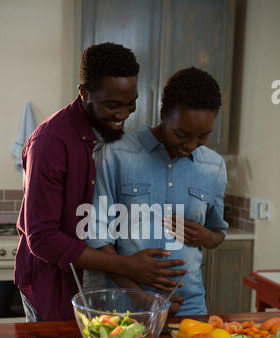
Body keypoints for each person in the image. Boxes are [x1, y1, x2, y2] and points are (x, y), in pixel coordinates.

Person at [15, 42, 185, 322]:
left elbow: (107, 225)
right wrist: (129, 267)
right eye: (112, 105)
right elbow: (43, 239)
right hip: (57, 287)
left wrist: (138, 288)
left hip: (104, 284)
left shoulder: (113, 135)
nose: (123, 114)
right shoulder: (50, 144)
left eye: (131, 103)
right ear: (85, 92)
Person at [85, 67, 229, 316]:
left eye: (203, 136)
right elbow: (98, 239)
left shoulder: (213, 166)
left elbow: (218, 234)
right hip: (125, 306)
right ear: (163, 111)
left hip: (189, 306)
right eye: (181, 134)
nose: (190, 146)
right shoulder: (115, 154)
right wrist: (143, 298)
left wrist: (206, 237)